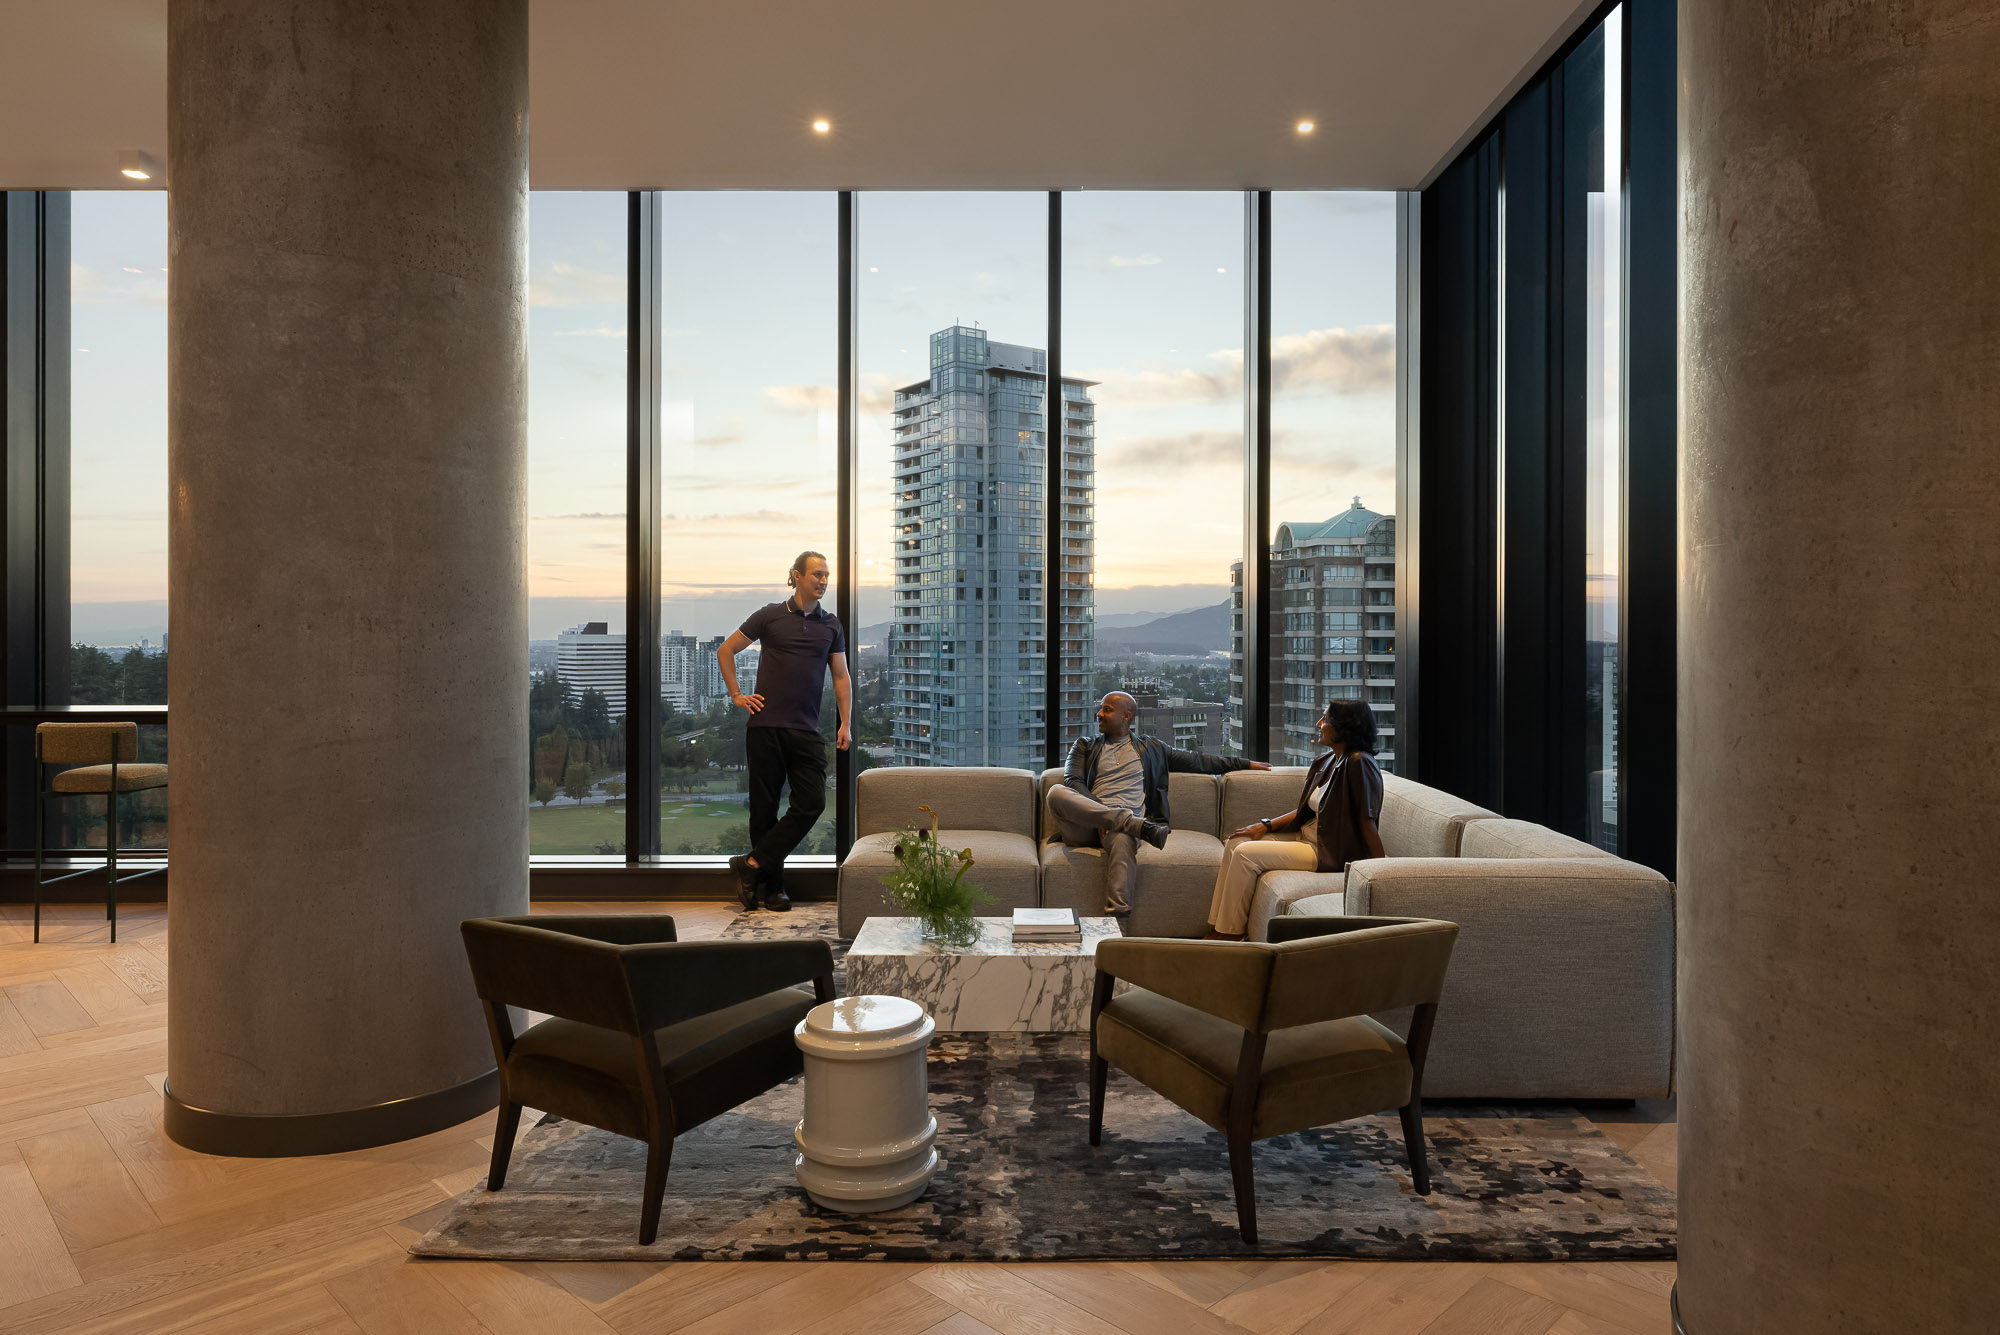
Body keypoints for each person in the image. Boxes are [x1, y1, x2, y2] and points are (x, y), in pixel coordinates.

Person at [1048, 692, 1270, 918]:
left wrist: (1243, 763)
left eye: (1107, 710)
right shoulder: (1084, 745)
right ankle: (1133, 824)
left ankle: (1117, 927)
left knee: (1124, 838)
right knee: (1056, 792)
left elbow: (1197, 761)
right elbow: (1073, 781)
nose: (1099, 714)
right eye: (1101, 709)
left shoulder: (1152, 748)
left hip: (1120, 830)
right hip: (1088, 824)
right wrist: (1103, 816)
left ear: (1126, 716)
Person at [717, 550, 851, 912]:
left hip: (806, 730)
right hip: (765, 726)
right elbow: (726, 650)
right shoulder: (769, 615)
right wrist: (737, 696)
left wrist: (846, 722)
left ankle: (750, 864)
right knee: (763, 811)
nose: (823, 581)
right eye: (817, 574)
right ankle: (772, 890)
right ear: (797, 575)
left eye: (826, 575)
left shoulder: (831, 625)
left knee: (812, 802)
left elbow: (841, 676)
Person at [1203, 698, 1386, 940]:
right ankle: (1219, 926)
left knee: (1245, 854)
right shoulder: (1328, 760)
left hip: (1329, 850)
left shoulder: (1359, 763)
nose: (1319, 724)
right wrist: (1264, 825)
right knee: (1235, 842)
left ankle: (1231, 934)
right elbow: (1305, 811)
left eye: (1325, 719)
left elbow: (1367, 821)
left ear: (1344, 727)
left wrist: (1382, 872)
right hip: (1308, 836)